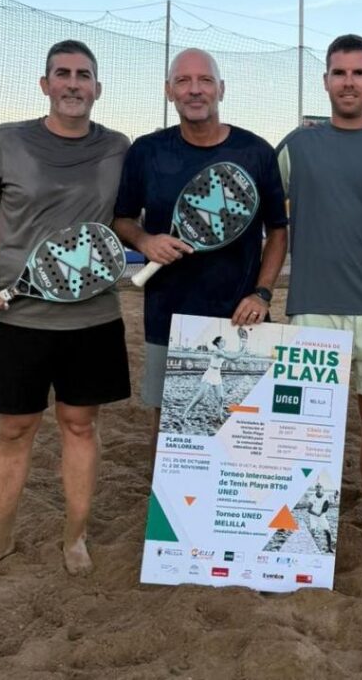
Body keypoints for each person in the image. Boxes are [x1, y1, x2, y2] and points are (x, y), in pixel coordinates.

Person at [0, 40, 131, 576]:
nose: (73, 83)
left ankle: (75, 540)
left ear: (98, 88)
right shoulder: (6, 141)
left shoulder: (118, 148)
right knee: (15, 429)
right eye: (63, 73)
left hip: (94, 319)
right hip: (21, 321)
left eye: (83, 75)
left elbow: (126, 222)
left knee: (80, 426)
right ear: (45, 84)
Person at [277, 34, 362, 559]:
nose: (349, 82)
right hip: (313, 305)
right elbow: (263, 212)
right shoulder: (297, 146)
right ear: (326, 81)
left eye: (359, 73)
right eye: (339, 73)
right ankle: (304, 530)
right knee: (309, 427)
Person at [113, 49, 287, 433]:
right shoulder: (146, 151)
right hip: (168, 319)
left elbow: (278, 230)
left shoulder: (256, 152)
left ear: (221, 89)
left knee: (246, 429)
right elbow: (121, 219)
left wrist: (261, 294)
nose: (195, 90)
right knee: (172, 433)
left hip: (241, 317)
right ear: (168, 91)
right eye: (183, 81)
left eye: (205, 80)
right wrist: (144, 241)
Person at [180, 334, 247, 424]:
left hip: (217, 375)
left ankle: (219, 416)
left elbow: (234, 359)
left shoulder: (223, 351)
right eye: (222, 341)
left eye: (224, 341)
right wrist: (243, 350)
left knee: (221, 398)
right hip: (210, 374)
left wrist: (243, 347)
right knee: (200, 397)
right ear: (218, 343)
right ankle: (184, 415)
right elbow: (233, 357)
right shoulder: (217, 352)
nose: (224, 342)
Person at [307, 484, 333, 554]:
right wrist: (316, 514)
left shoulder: (326, 496)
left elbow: (326, 507)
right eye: (317, 487)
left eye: (320, 487)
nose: (318, 488)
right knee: (312, 531)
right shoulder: (312, 497)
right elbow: (309, 510)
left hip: (322, 516)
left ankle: (329, 548)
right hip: (313, 516)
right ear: (315, 488)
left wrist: (321, 513)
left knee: (328, 531)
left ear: (322, 488)